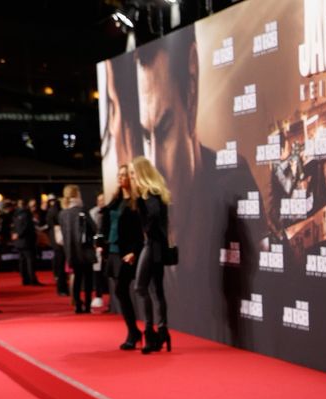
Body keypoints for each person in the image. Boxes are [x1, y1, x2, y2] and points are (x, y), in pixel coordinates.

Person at [135, 24, 265, 342]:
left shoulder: (234, 179)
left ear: (191, 94)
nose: (154, 164)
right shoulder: (156, 205)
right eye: (145, 136)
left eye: (163, 131)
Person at [130, 155, 172, 354]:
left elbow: (153, 218)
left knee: (141, 287)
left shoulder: (148, 195)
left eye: (132, 173)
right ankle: (162, 331)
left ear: (140, 173)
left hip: (152, 246)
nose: (131, 177)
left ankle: (150, 331)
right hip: (157, 246)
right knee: (157, 291)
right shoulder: (155, 193)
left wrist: (146, 229)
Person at [101, 164, 144, 350]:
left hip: (127, 251)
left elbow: (139, 232)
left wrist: (134, 251)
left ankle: (134, 332)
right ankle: (133, 331)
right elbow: (107, 222)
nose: (120, 178)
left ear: (131, 178)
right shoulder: (116, 199)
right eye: (119, 175)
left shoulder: (137, 201)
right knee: (120, 291)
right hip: (112, 250)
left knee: (121, 290)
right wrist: (102, 244)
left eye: (124, 175)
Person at [58, 185, 97, 315]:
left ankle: (77, 305)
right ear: (76, 194)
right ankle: (87, 305)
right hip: (85, 249)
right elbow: (93, 228)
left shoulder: (62, 214)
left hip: (71, 250)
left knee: (77, 278)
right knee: (88, 279)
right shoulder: (82, 210)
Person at [11, 198, 42, 285]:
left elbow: (14, 227)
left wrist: (15, 234)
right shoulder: (26, 214)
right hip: (27, 241)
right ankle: (32, 280)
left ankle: (25, 280)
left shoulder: (15, 214)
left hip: (19, 242)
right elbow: (26, 227)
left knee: (22, 261)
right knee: (30, 261)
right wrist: (19, 234)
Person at [45, 195, 69, 296]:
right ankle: (62, 288)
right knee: (61, 266)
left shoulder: (52, 211)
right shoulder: (57, 212)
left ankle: (62, 287)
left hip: (56, 242)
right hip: (59, 243)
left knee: (60, 266)